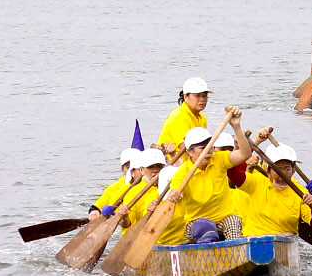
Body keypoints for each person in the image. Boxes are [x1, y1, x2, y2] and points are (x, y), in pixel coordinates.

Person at [157, 107, 252, 245]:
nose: (209, 152)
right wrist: (174, 195)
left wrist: (236, 126)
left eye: (210, 146)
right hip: (197, 222)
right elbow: (174, 191)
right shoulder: (183, 172)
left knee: (234, 222)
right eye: (203, 148)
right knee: (205, 229)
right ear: (189, 151)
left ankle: (235, 257)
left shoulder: (219, 159)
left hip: (225, 217)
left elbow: (245, 154)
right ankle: (210, 257)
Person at [239, 128, 312, 237]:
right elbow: (233, 172)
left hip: (283, 239)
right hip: (255, 238)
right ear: (268, 170)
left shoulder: (301, 193)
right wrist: (254, 140)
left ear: (293, 170)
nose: (283, 173)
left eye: (287, 169)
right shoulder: (257, 181)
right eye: (278, 169)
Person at [107, 148, 167, 233]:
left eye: (159, 167)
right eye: (150, 167)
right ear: (142, 170)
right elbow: (127, 224)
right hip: (145, 238)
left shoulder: (173, 185)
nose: (155, 170)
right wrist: (124, 217)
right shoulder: (133, 193)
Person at [157, 77, 210, 160]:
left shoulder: (202, 118)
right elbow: (186, 148)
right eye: (197, 96)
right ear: (186, 97)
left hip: (192, 160)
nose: (202, 99)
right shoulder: (178, 116)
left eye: (204, 96)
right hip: (173, 162)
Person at [88, 148, 142, 220]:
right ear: (122, 170)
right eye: (128, 167)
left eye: (136, 167)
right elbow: (97, 206)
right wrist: (94, 212)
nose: (131, 171)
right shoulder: (114, 188)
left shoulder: (154, 184)